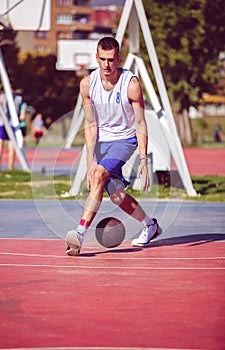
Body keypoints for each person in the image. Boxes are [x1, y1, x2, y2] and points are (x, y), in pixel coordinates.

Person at [65, 37, 162, 256]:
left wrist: (144, 159)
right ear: (96, 58)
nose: (107, 64)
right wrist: (90, 158)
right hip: (102, 142)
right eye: (103, 59)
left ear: (118, 58)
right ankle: (150, 225)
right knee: (117, 196)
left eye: (111, 59)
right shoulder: (87, 84)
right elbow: (90, 122)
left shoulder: (131, 84)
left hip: (125, 140)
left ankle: (79, 233)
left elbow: (140, 122)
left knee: (99, 176)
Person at [0, 87, 24, 174]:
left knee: (6, 146)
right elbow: (22, 114)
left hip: (6, 123)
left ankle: (2, 168)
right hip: (8, 124)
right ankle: (7, 169)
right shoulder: (18, 98)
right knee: (6, 146)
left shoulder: (5, 96)